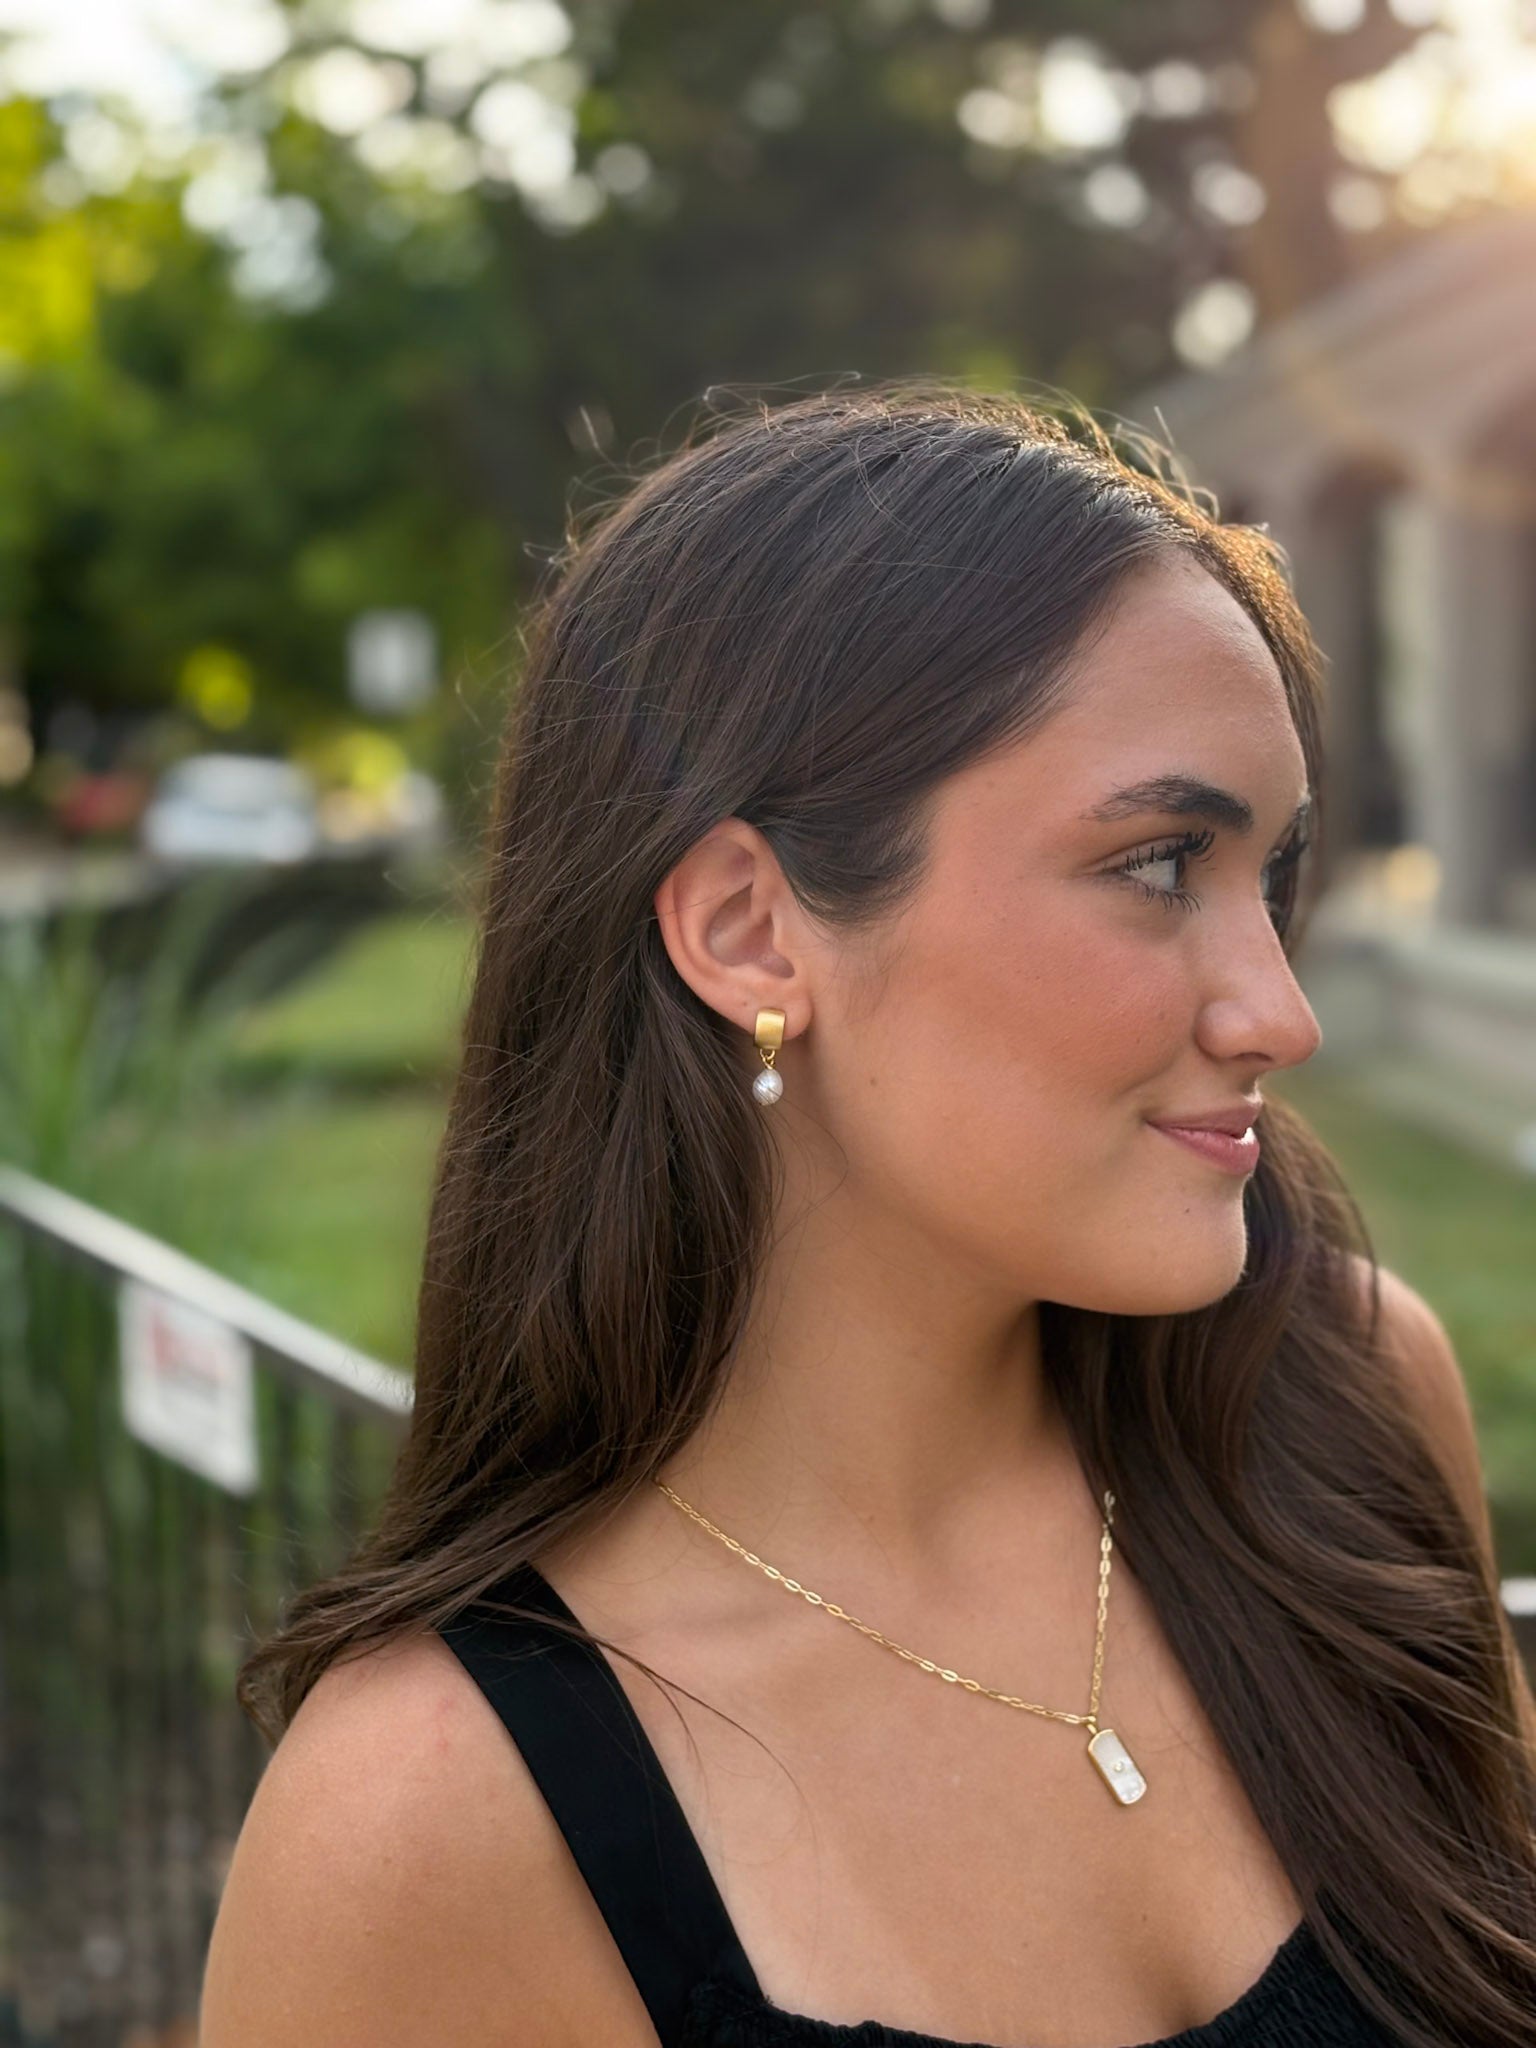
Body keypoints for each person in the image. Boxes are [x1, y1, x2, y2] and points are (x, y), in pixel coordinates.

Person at [199, 384, 1536, 2048]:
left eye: (1268, 876)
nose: (1279, 1008)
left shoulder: (1339, 1413)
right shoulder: (426, 1833)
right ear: (754, 932)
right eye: (1156, 863)